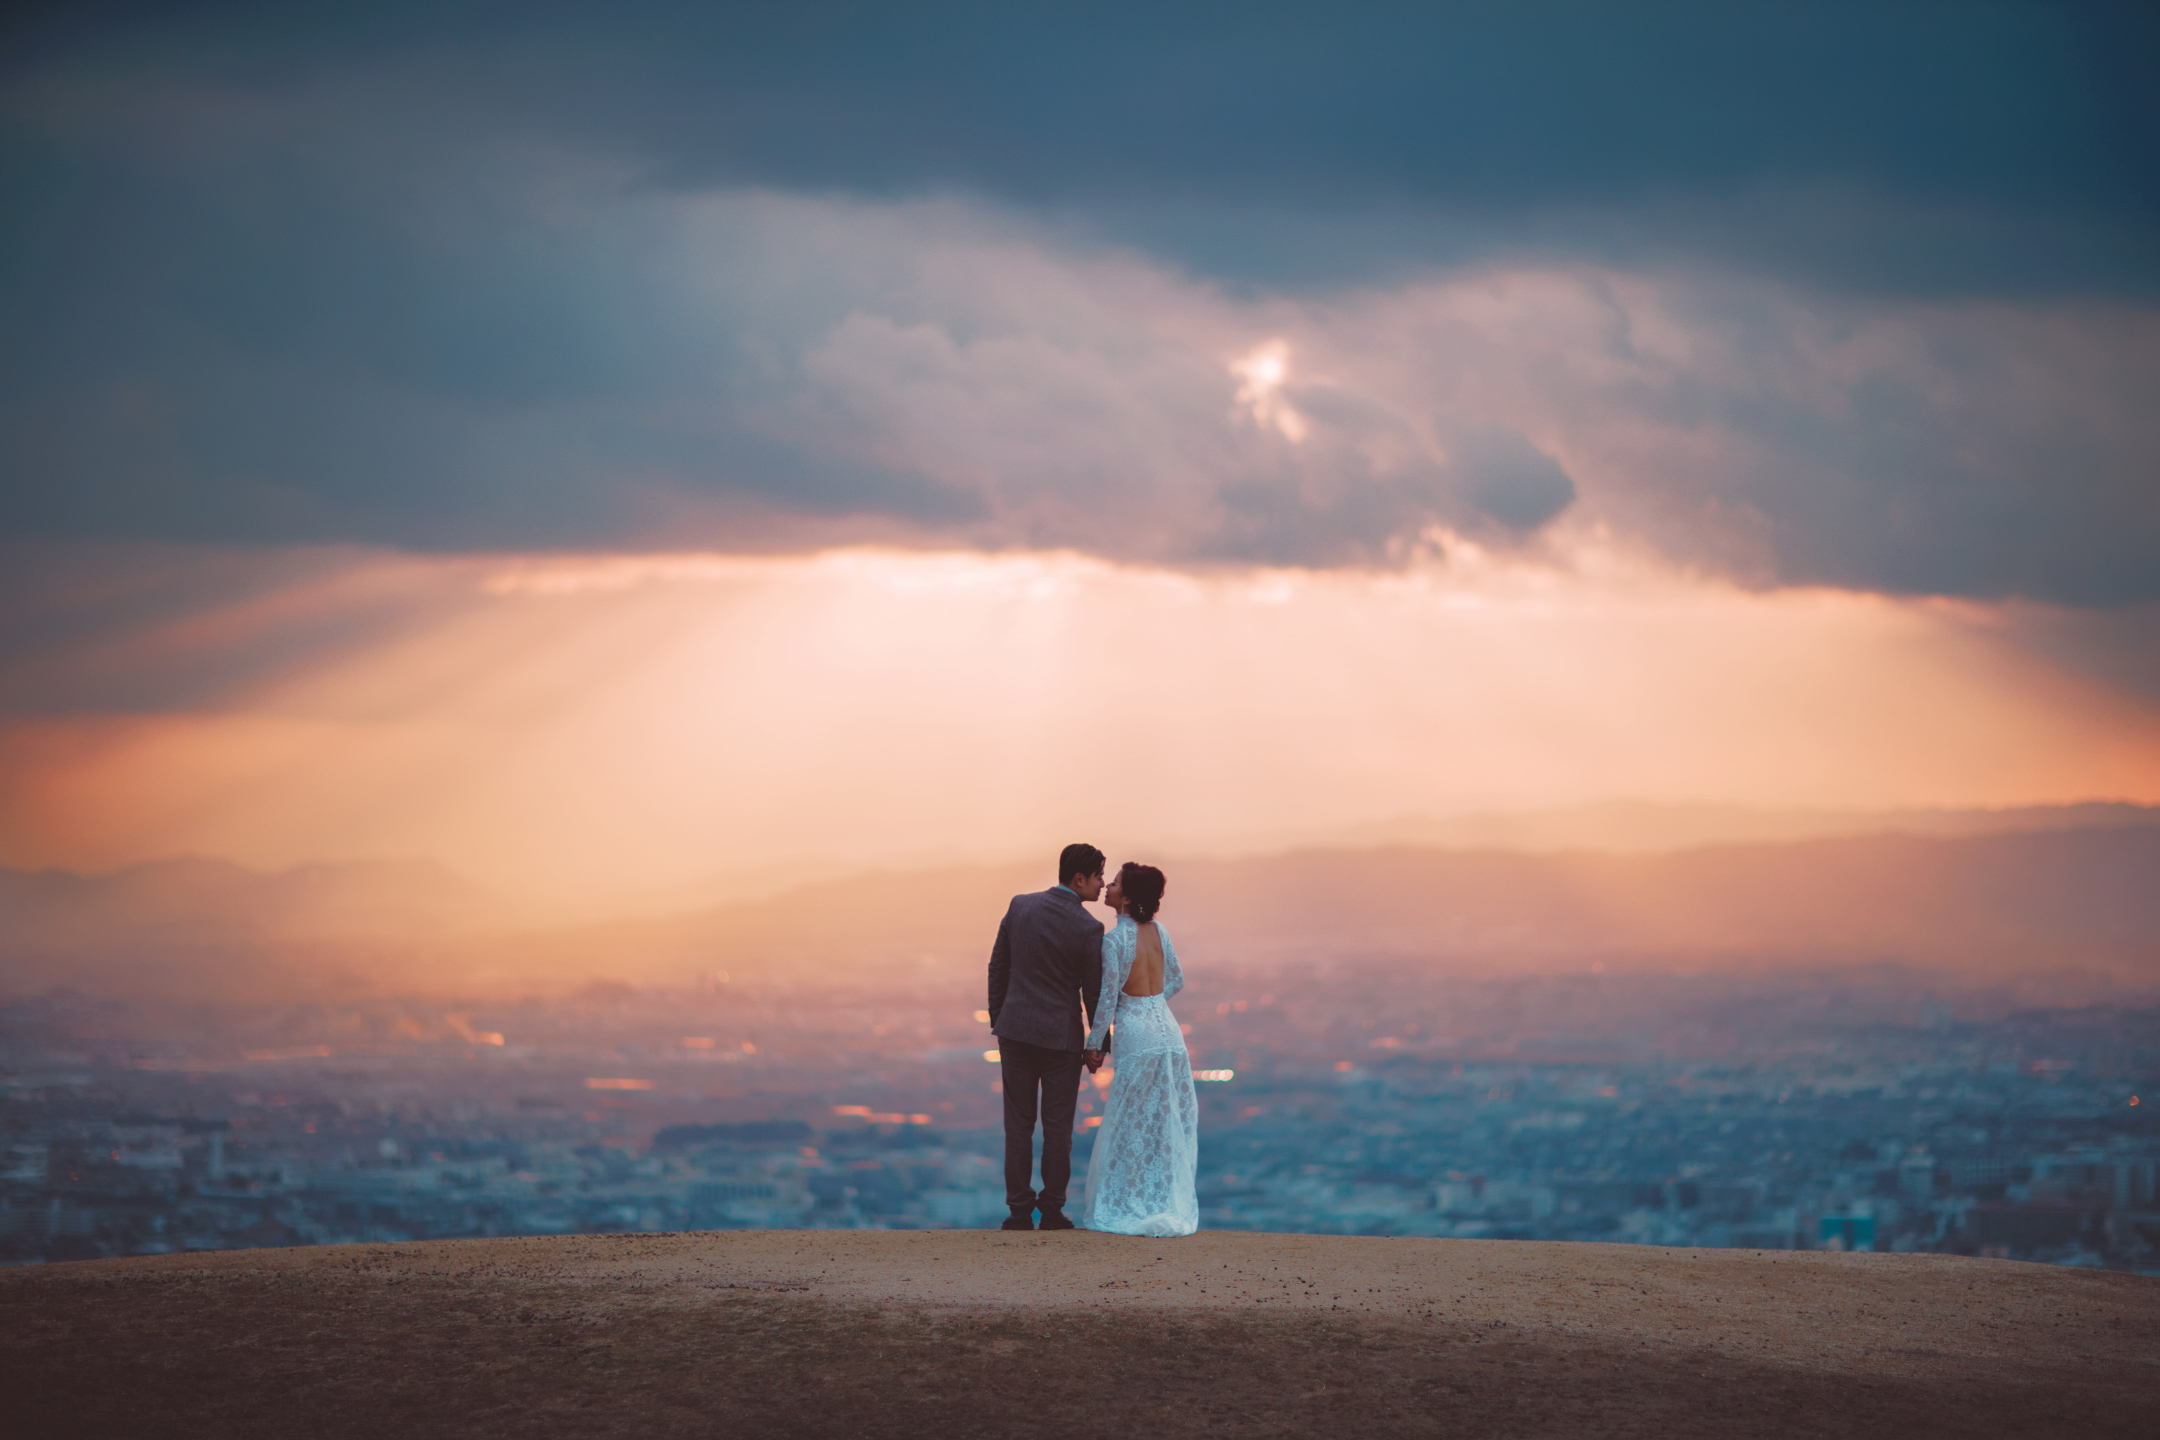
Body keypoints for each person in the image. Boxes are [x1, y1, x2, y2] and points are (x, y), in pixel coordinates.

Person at [986, 842, 1107, 1231]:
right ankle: (1053, 1210)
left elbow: (998, 967)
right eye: (1098, 876)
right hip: (1061, 1040)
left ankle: (1019, 1210)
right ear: (1079, 878)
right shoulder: (1089, 928)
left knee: (1018, 1125)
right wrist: (1097, 1045)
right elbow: (1094, 992)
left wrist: (999, 1018)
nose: (1103, 885)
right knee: (1058, 1127)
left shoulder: (1020, 905)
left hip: (1016, 1033)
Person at [1079, 862, 1199, 1236]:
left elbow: (1107, 999)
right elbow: (1175, 980)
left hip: (1136, 1033)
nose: (1109, 887)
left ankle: (1129, 1201)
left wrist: (1094, 1044)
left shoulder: (1114, 941)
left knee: (1129, 1121)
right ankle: (1163, 1200)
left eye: (1114, 883)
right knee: (1165, 1124)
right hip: (1169, 1034)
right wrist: (1151, 1003)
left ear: (1127, 898)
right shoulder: (1159, 932)